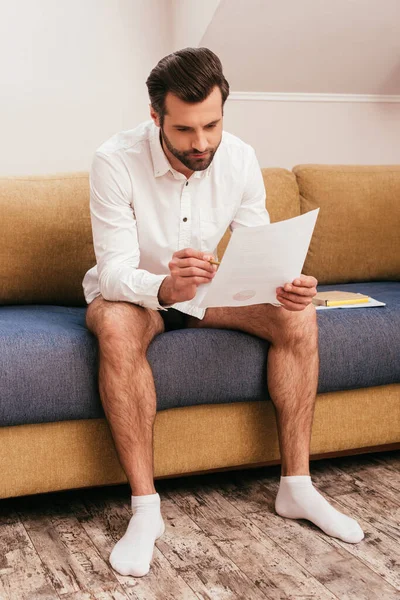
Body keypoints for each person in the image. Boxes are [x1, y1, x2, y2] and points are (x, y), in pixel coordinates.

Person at [82, 47, 364, 578]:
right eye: (185, 130)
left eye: (211, 125)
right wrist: (166, 283)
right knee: (116, 327)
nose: (201, 143)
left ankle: (297, 487)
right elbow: (115, 270)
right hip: (138, 295)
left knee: (298, 317)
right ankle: (146, 511)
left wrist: (285, 285)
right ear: (155, 116)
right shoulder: (113, 160)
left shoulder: (237, 156)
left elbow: (259, 250)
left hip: (211, 294)